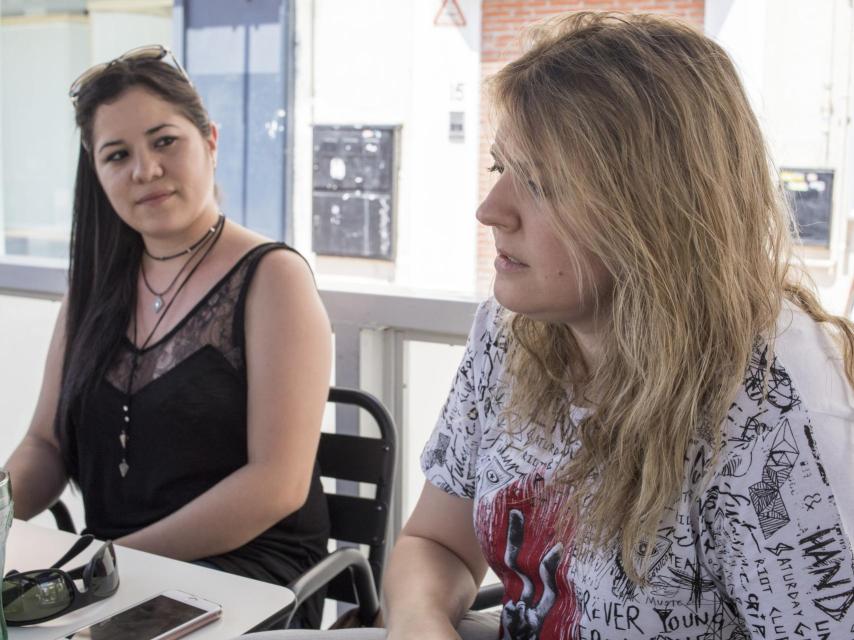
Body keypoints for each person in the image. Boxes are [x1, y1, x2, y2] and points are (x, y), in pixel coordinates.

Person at [244, 11, 854, 640]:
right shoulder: (510, 331)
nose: (491, 210)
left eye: (539, 183)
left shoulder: (774, 402)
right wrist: (423, 624)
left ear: (656, 207)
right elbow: (436, 542)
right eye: (499, 169)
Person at [6, 46, 333, 628]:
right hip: (116, 577)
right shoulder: (94, 286)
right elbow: (46, 446)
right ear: (96, 171)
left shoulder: (272, 277)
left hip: (248, 578)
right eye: (117, 155)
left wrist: (112, 560)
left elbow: (276, 485)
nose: (145, 170)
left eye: (164, 142)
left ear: (210, 141)